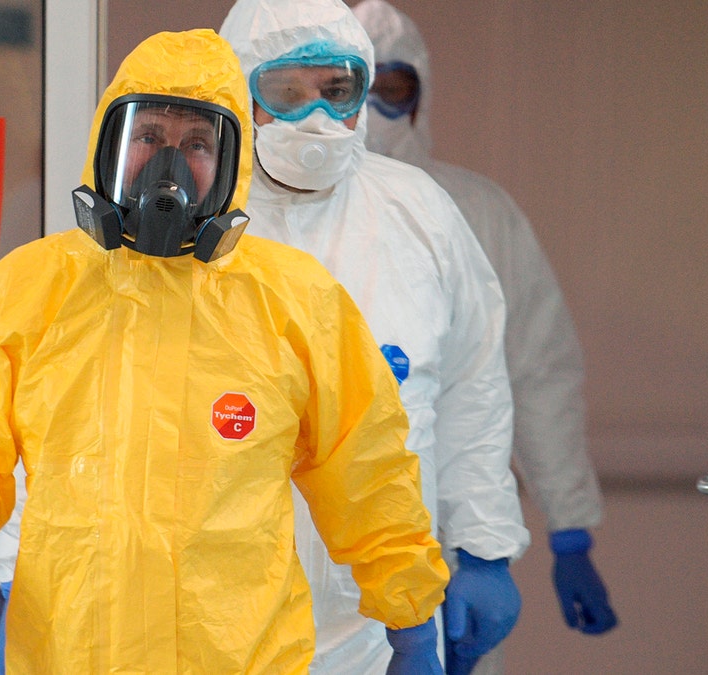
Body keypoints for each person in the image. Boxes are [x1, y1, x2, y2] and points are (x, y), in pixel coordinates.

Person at [0, 28, 450, 675]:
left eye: (198, 143)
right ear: (109, 144)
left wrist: (409, 619)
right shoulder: (26, 294)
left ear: (231, 161)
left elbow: (367, 466)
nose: (168, 163)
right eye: (148, 136)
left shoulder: (296, 303)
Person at [218, 1, 530, 673]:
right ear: (236, 90)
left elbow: (473, 385)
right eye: (285, 92)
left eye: (338, 91)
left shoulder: (416, 211)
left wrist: (483, 547)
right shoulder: (201, 223)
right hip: (220, 618)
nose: (318, 118)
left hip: (387, 619)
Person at [352, 0, 619, 664]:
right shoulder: (276, 219)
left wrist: (569, 529)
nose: (379, 107)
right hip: (316, 536)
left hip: (448, 538)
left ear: (422, 94)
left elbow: (535, 370)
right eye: (361, 87)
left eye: (396, 88)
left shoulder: (475, 212)